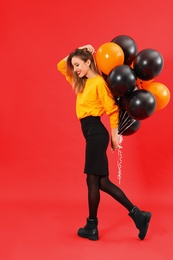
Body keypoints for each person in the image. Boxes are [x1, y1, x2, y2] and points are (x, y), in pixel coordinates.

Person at [57, 44, 151, 241]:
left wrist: (115, 137)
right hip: (91, 133)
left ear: (88, 62)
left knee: (93, 180)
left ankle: (93, 226)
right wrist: (81, 49)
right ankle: (137, 215)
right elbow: (60, 65)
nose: (75, 69)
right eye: (74, 66)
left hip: (96, 134)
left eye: (78, 65)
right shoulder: (81, 82)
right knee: (101, 182)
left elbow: (112, 109)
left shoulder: (98, 82)